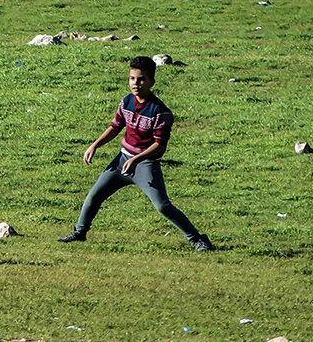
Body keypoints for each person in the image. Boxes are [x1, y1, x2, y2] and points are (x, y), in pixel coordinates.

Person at [58, 56, 213, 251]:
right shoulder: (126, 102)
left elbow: (159, 146)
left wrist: (137, 159)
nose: (135, 84)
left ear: (151, 82)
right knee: (94, 195)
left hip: (145, 164)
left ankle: (198, 239)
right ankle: (80, 233)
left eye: (141, 79)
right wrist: (94, 145)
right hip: (122, 159)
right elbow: (115, 127)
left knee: (162, 206)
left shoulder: (161, 112)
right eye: (132, 78)